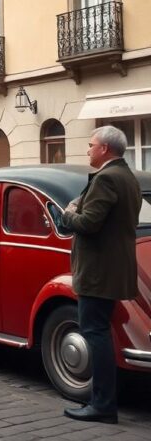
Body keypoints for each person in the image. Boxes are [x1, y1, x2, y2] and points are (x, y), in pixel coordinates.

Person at [60, 126, 140, 424]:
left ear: (104, 148)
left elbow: (89, 223)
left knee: (95, 333)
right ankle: (102, 400)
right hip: (113, 268)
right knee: (100, 331)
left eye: (91, 145)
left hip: (98, 272)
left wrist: (67, 214)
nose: (88, 150)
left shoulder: (106, 178)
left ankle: (103, 404)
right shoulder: (127, 176)